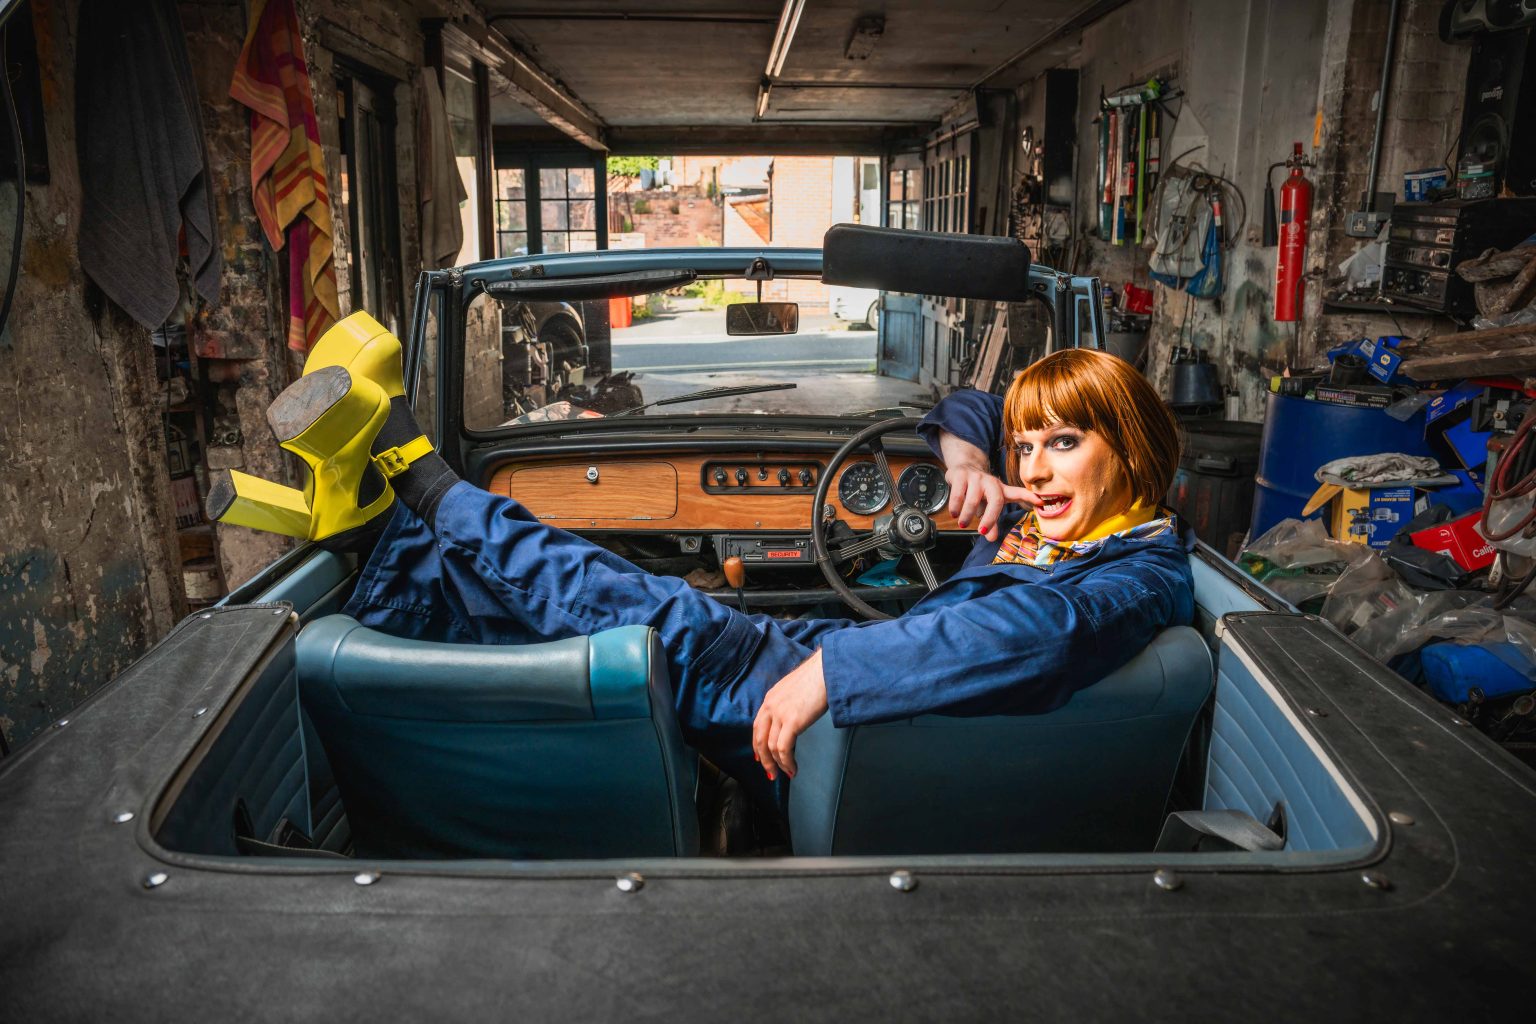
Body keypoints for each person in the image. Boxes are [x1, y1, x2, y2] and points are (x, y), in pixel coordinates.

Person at [211, 313, 1194, 812]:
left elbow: (1028, 629)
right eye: (1029, 445)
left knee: (621, 598)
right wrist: (971, 458)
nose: (1035, 467)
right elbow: (972, 407)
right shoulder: (1079, 525)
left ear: (1135, 447)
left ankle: (418, 483)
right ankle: (375, 537)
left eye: (1066, 443)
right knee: (546, 615)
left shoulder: (1132, 578)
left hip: (855, 714)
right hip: (853, 674)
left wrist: (832, 671)